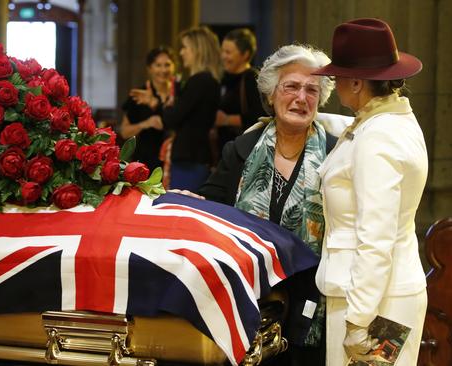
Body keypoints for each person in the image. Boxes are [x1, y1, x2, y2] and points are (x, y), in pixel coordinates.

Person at [177, 43, 335, 365]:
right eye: (291, 86)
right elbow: (213, 203)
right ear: (271, 93)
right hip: (250, 302)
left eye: (311, 90)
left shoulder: (337, 156)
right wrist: (193, 204)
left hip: (311, 302)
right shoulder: (241, 149)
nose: (301, 98)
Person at [312, 18, 428, 365]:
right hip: (382, 292)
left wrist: (358, 322)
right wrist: (311, 119)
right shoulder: (391, 118)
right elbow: (354, 131)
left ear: (358, 82)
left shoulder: (376, 139)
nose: (334, 84)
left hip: (375, 303)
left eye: (337, 77)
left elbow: (376, 240)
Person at [133, 26, 221, 191]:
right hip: (196, 155)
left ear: (197, 50)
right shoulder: (209, 80)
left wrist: (157, 104)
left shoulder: (199, 81)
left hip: (190, 158)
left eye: (185, 47)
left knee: (182, 207)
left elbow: (172, 118)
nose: (181, 52)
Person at [120, 46, 176, 171]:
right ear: (150, 68)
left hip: (175, 159)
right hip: (146, 160)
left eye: (167, 65)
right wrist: (146, 124)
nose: (163, 70)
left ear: (174, 66)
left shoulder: (180, 93)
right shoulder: (139, 95)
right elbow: (124, 132)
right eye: (158, 65)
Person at [213, 28, 266, 155]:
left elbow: (261, 116)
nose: (223, 56)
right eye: (222, 51)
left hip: (244, 152)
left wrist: (227, 120)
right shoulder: (223, 78)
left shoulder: (252, 78)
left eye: (228, 52)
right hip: (226, 150)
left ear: (245, 54)